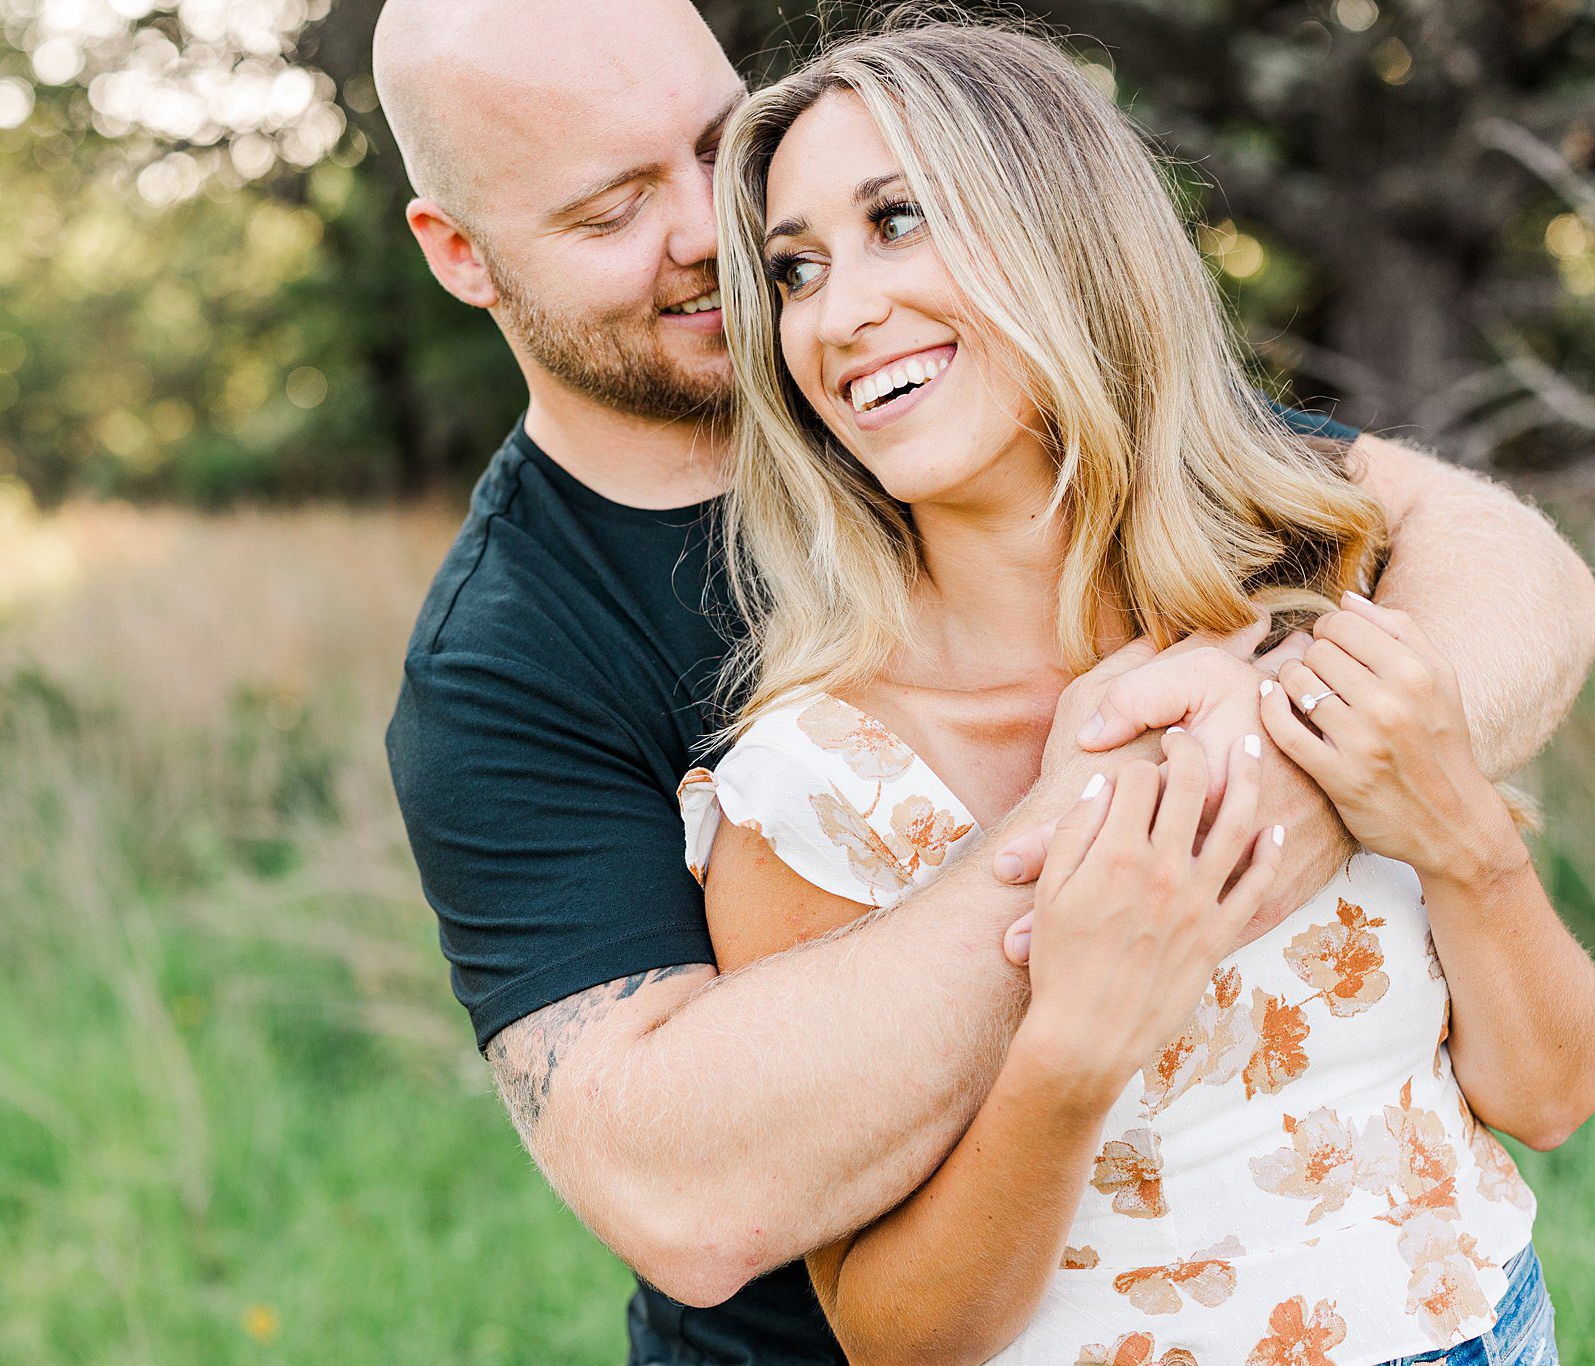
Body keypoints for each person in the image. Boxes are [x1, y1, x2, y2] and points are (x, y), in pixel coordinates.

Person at [375, 0, 1595, 1359]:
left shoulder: (1209, 530)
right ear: (459, 254)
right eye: (609, 211)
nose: (706, 236)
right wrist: (1106, 847)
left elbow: (1509, 563)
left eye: (719, 155)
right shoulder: (528, 671)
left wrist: (1325, 769)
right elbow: (684, 1193)